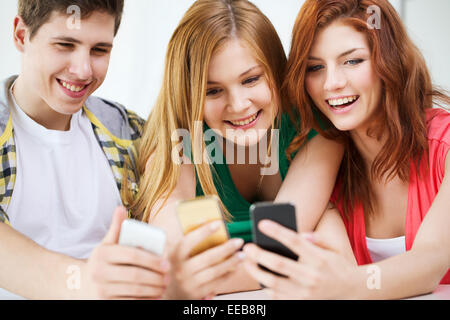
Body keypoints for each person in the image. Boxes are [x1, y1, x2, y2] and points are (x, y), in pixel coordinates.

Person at [125, 0, 344, 299]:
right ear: (189, 95)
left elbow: (295, 254)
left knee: (328, 218)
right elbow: (178, 262)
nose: (239, 104)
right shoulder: (179, 139)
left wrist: (211, 276)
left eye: (251, 79)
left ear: (277, 71)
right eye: (213, 90)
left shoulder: (313, 129)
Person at [243, 0, 450, 299]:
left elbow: (432, 259)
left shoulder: (444, 146)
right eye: (315, 67)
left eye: (352, 61)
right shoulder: (325, 158)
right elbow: (271, 257)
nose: (332, 83)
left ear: (388, 60)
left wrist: (349, 284)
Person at [0, 0, 170, 300]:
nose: (83, 70)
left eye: (99, 50)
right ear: (21, 35)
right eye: (65, 44)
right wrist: (85, 282)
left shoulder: (131, 133)